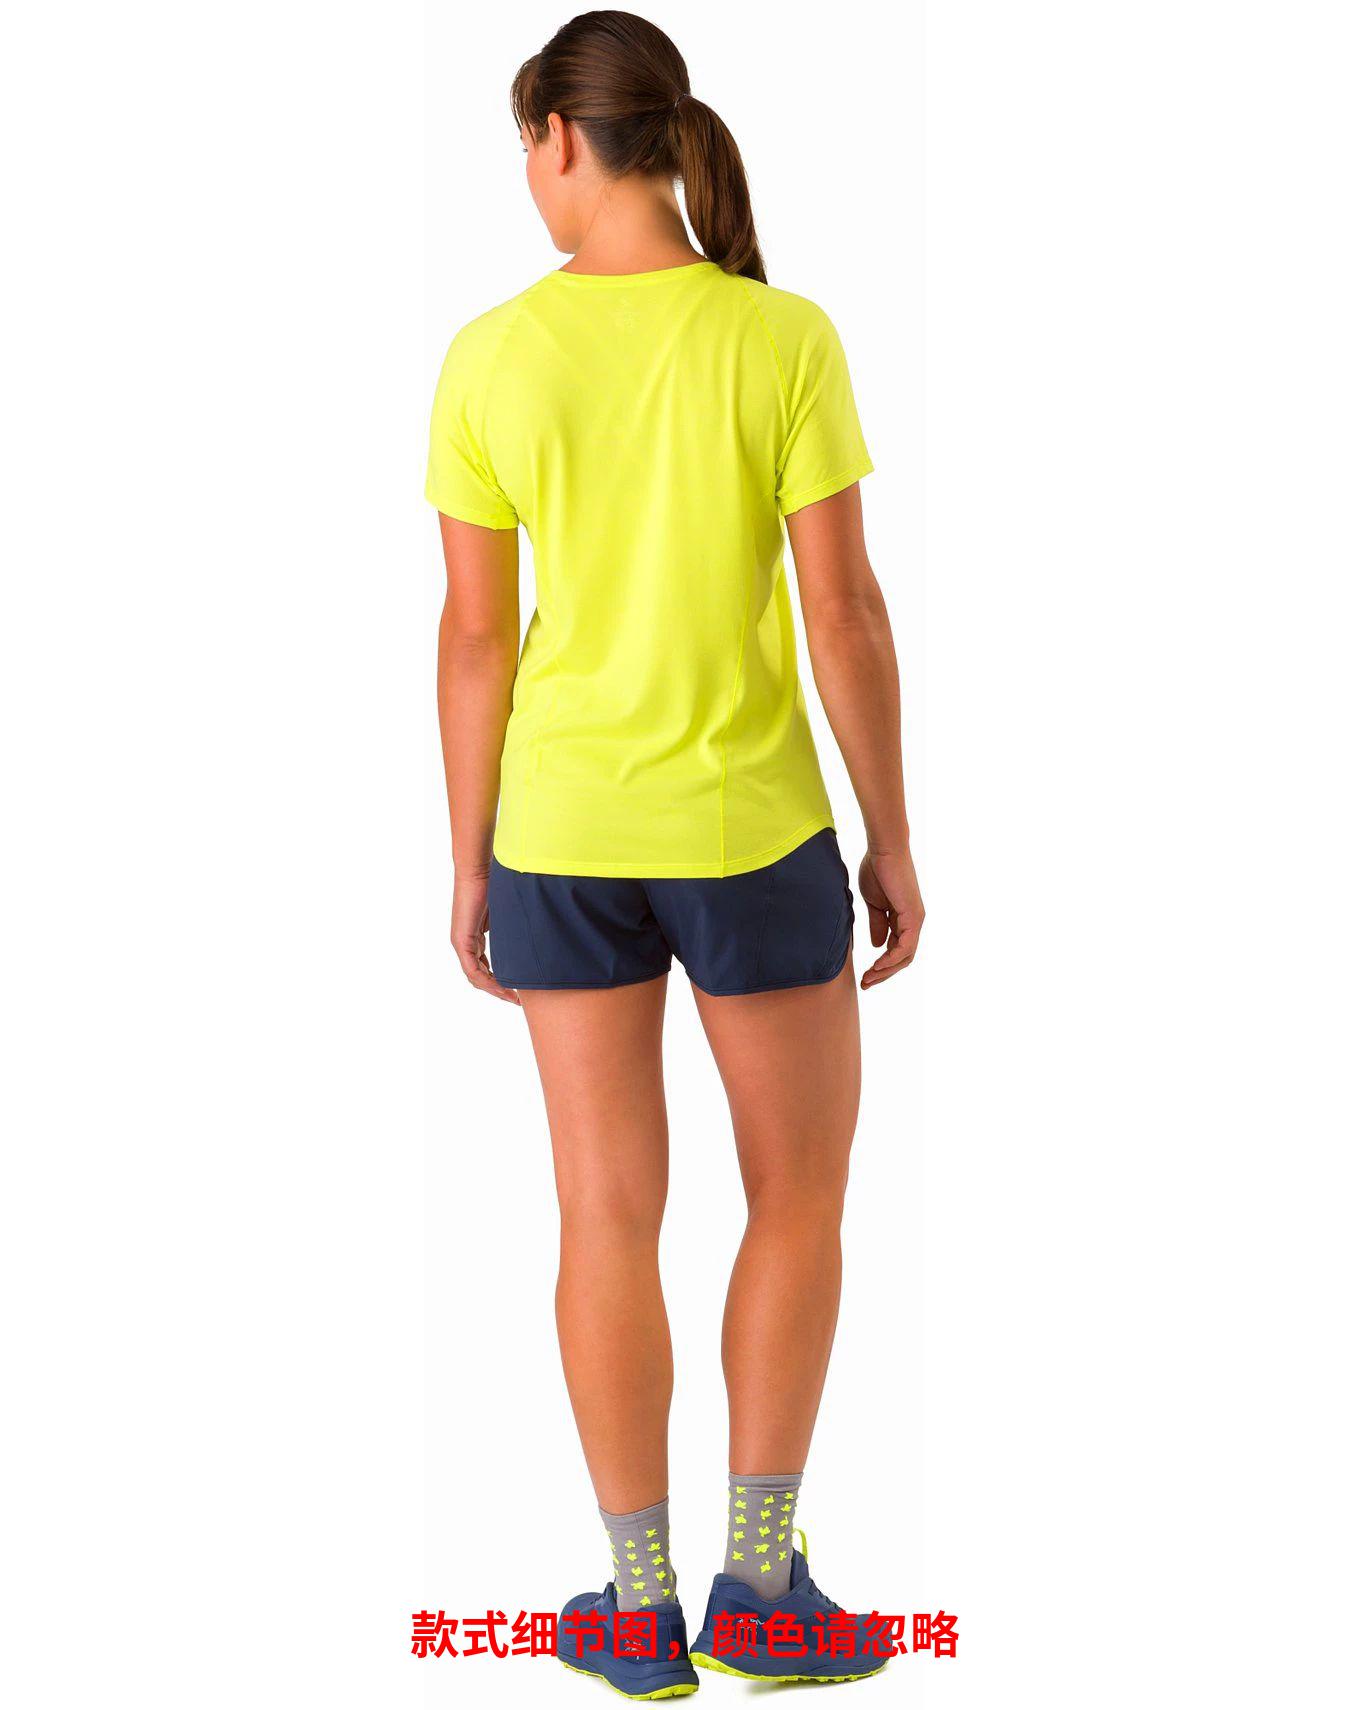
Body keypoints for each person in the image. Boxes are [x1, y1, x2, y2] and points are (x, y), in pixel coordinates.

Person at [427, 11, 923, 1696]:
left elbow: (473, 638)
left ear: (563, 138)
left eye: (523, 148)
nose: (525, 179)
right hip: (748, 831)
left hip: (559, 832)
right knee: (797, 1193)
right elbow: (842, 612)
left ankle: (635, 1608)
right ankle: (761, 1585)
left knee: (600, 1210)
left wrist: (469, 856)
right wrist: (891, 833)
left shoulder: (491, 354)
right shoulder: (780, 336)